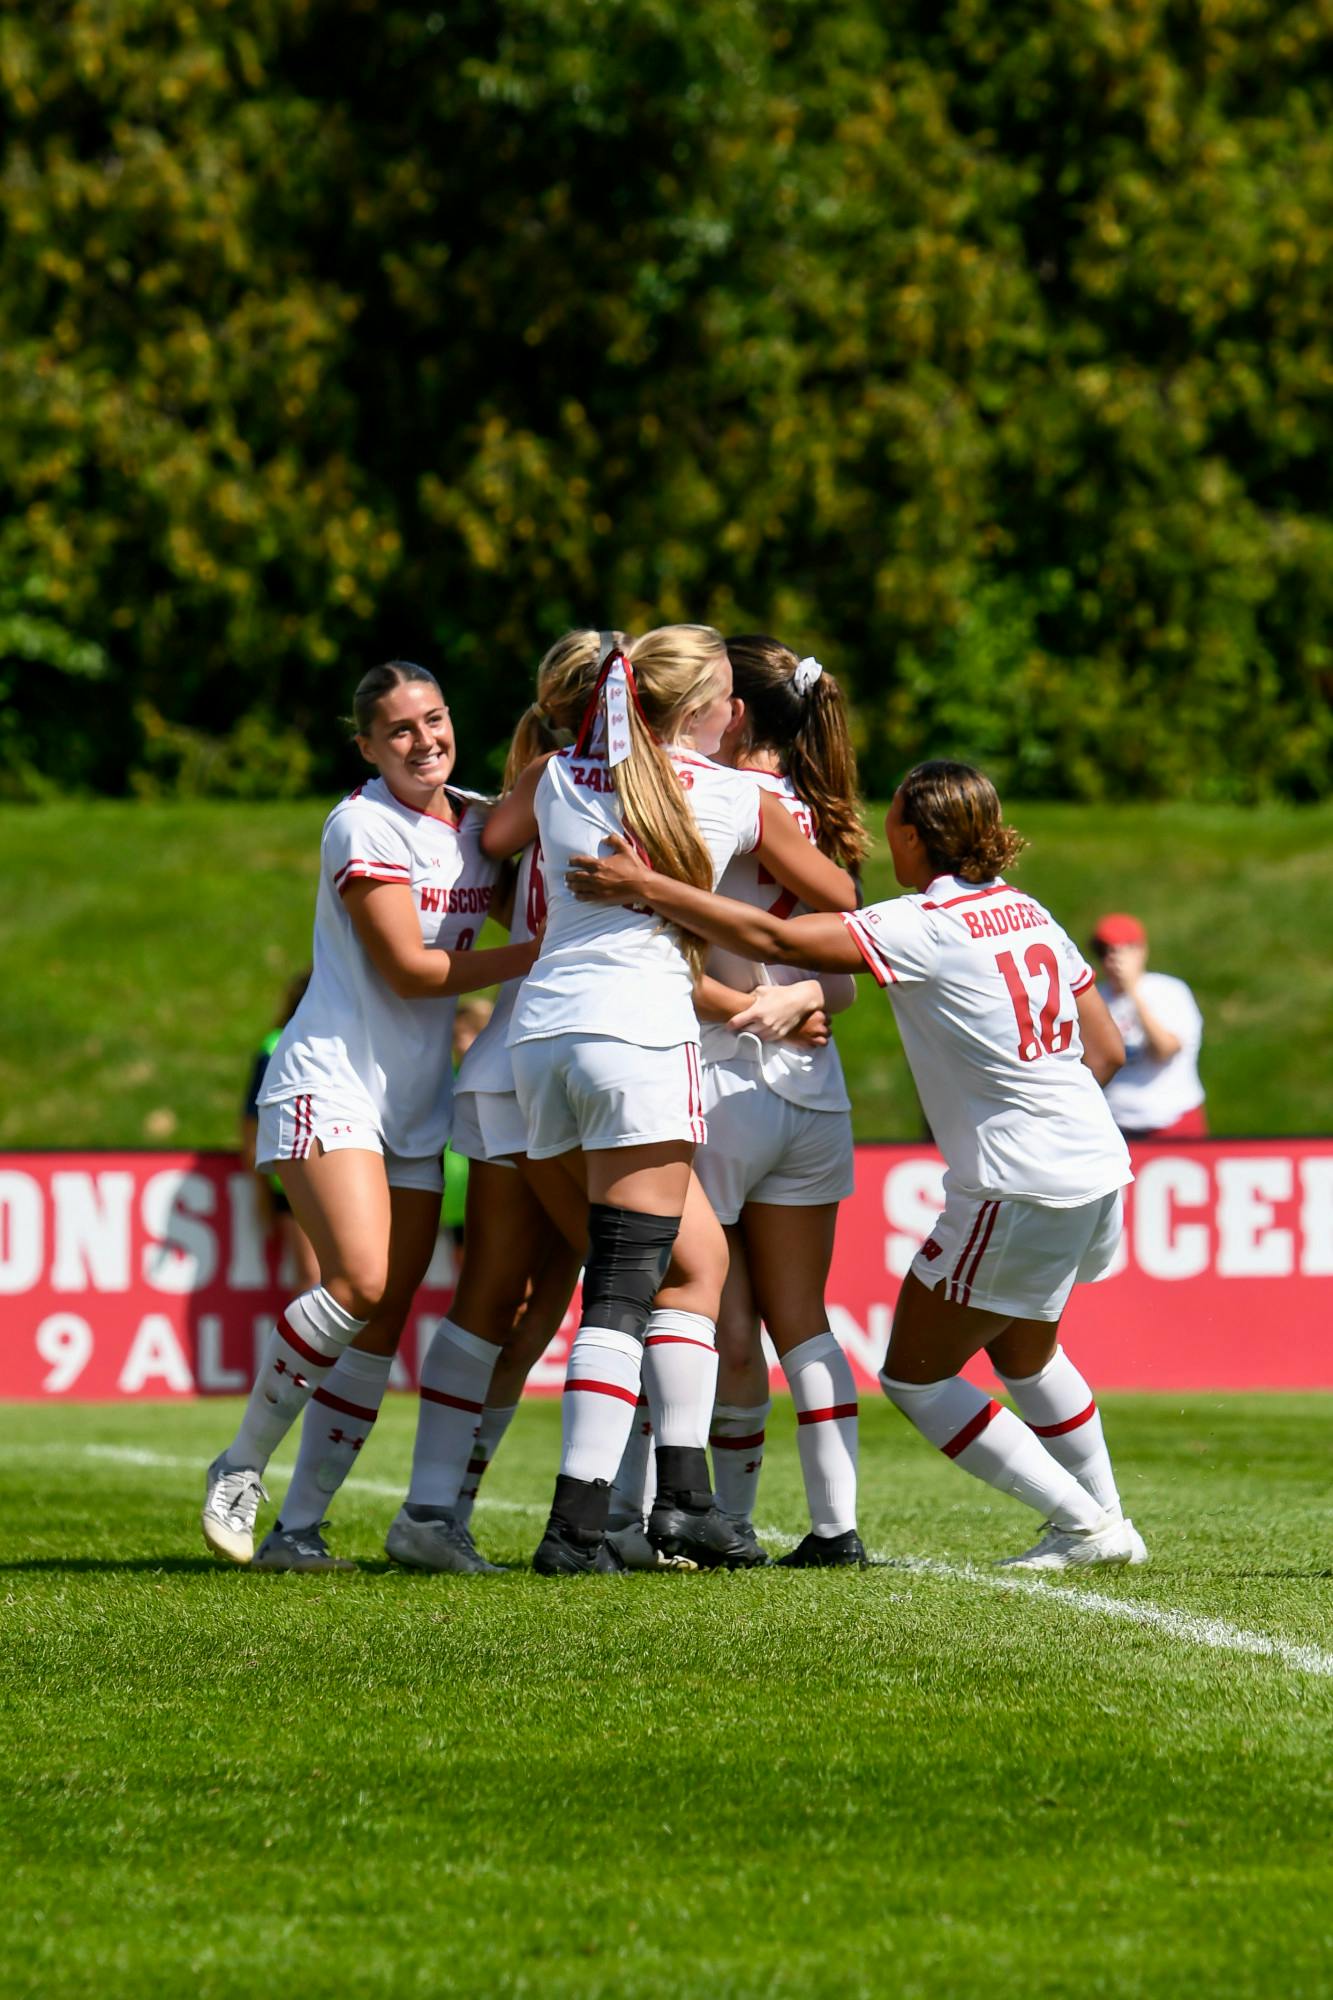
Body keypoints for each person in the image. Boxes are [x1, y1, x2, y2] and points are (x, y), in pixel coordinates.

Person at [569, 759, 1149, 1571]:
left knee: (915, 1378)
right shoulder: (1029, 911)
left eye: (892, 824)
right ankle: (1110, 1520)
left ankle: (1087, 1525)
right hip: (1099, 1164)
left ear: (913, 836)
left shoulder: (924, 923)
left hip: (1017, 1180)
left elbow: (776, 940)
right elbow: (1107, 1050)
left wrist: (648, 887)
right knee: (1026, 1354)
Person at [490, 624, 859, 1573]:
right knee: (628, 1281)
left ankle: (683, 1501)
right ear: (705, 709)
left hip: (540, 1039)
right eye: (726, 691)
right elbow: (838, 900)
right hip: (639, 1039)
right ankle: (577, 1526)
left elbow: (493, 838)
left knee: (689, 1265)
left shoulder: (560, 774)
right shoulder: (735, 794)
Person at [200, 660, 541, 1570]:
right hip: (330, 1080)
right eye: (399, 729)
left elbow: (529, 886)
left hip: (417, 1103)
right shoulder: (361, 823)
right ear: (366, 747)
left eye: (434, 720)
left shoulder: (475, 820)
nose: (424, 740)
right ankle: (239, 1465)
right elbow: (411, 969)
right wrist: (538, 957)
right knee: (356, 1281)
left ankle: (297, 1532)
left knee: (381, 1323)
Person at [689, 637, 871, 1567]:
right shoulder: (826, 812)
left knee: (716, 1318)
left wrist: (760, 1006)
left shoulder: (711, 795)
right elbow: (843, 979)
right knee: (802, 1321)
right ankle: (836, 1529)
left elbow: (660, 952)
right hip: (812, 1093)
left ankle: (721, 1522)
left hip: (723, 1076)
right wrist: (797, 1001)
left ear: (736, 711)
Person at [1091, 913, 1207, 1139]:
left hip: (1171, 1120)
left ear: (1141, 951)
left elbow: (1165, 1049)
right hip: (1115, 1122)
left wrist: (1132, 993)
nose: (1112, 959)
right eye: (1104, 951)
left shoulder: (1169, 991)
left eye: (1119, 950)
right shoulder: (1096, 997)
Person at [240, 970, 321, 1295]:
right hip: (292, 1173)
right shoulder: (276, 1046)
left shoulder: (349, 1041)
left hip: (334, 1166)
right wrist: (260, 1190)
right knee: (313, 1276)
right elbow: (252, 1121)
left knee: (336, 1278)